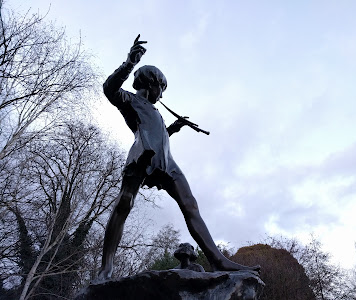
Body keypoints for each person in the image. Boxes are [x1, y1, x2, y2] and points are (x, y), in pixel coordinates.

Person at [97, 35, 259, 280]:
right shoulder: (130, 100)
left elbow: (159, 134)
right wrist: (129, 62)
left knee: (191, 204)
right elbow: (109, 89)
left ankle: (218, 261)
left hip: (166, 163)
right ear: (151, 83)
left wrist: (175, 127)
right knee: (124, 204)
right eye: (161, 89)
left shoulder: (156, 111)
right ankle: (105, 268)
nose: (161, 95)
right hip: (142, 156)